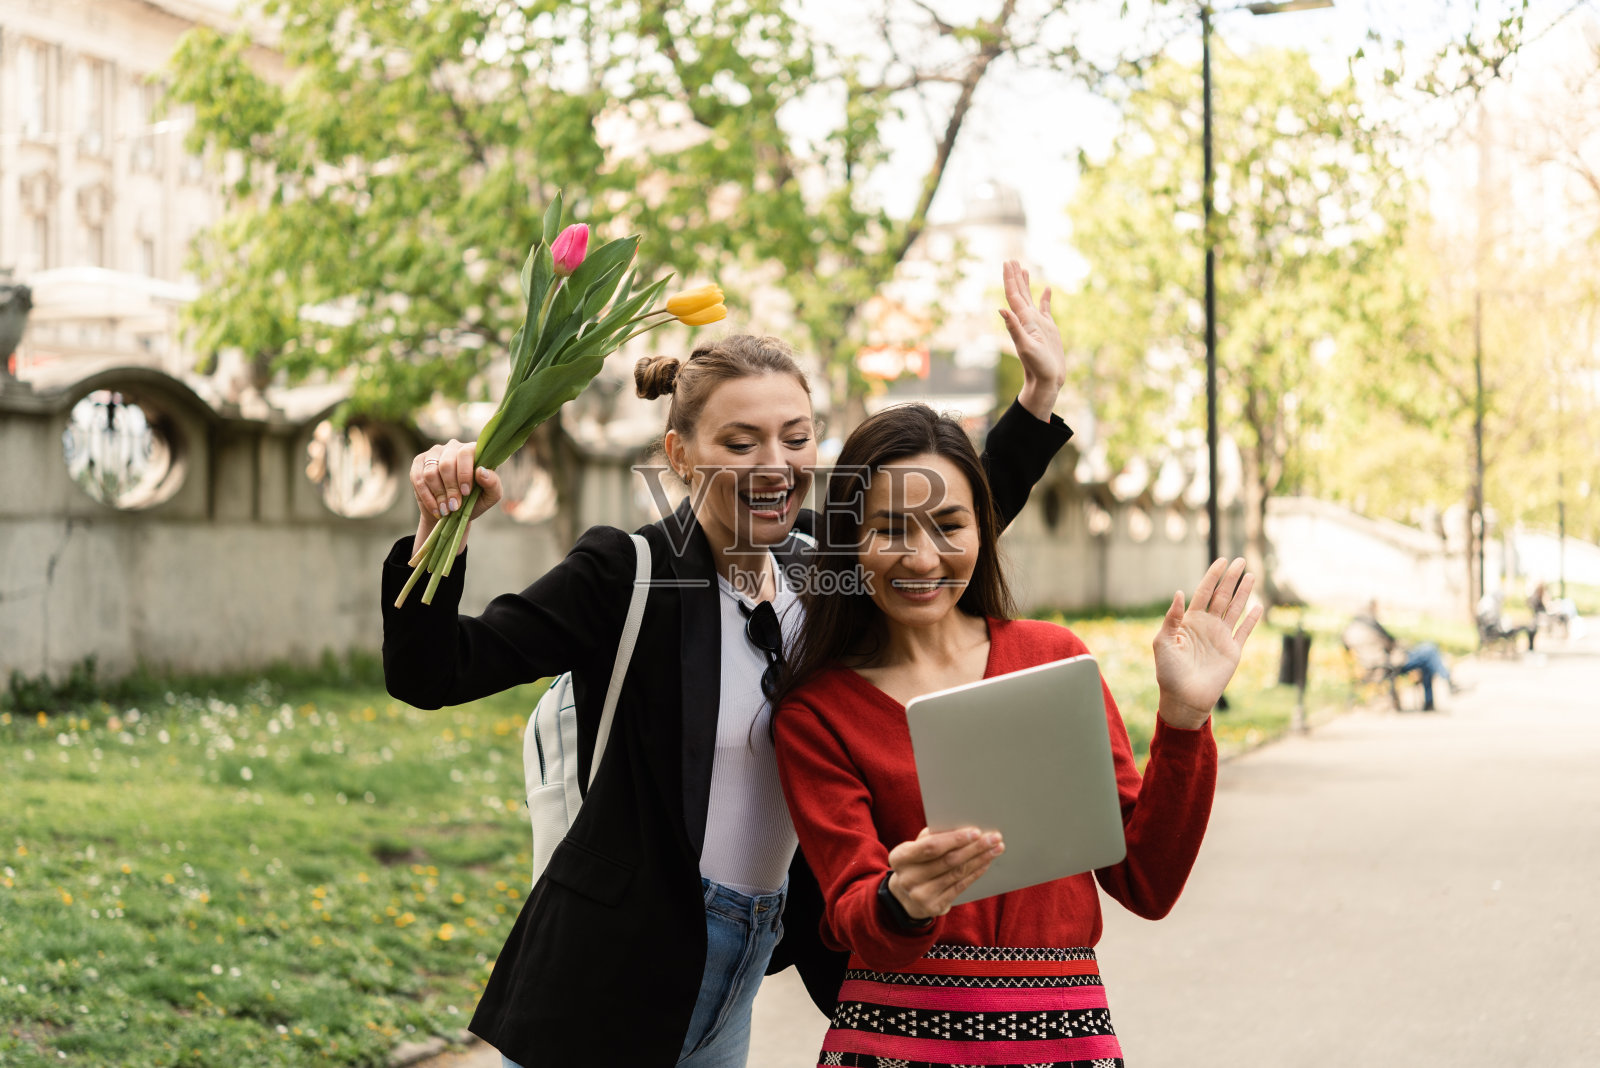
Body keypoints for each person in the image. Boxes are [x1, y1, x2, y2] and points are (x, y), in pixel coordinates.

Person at [379, 263, 1072, 1067]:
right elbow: (435, 673)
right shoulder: (626, 573)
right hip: (616, 965)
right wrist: (440, 532)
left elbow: (946, 518)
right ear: (680, 454)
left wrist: (1037, 399)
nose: (775, 463)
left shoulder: (824, 568)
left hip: (748, 956)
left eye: (797, 436)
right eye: (740, 442)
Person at [772, 404, 1261, 1068]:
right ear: (848, 539)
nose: (921, 557)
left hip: (1066, 1043)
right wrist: (901, 900)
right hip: (890, 1046)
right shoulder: (817, 712)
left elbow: (1148, 881)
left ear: (983, 530)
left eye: (948, 526)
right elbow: (857, 915)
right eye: (889, 529)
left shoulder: (1052, 659)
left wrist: (1184, 718)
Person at [1350, 600, 1462, 711]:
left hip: (1375, 665)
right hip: (1390, 664)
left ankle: (1434, 697)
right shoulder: (1371, 626)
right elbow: (1391, 644)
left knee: (1427, 659)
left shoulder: (1350, 630)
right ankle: (1447, 681)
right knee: (1430, 650)